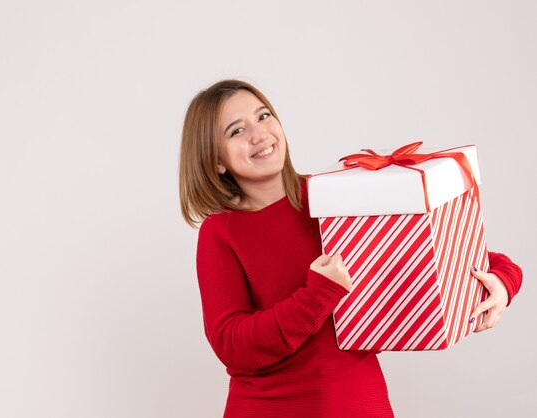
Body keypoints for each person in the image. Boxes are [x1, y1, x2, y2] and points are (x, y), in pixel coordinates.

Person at [178, 79, 523, 418]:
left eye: (264, 116)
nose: (259, 134)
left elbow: (444, 251)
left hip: (360, 403)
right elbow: (232, 346)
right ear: (216, 160)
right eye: (236, 131)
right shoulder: (220, 232)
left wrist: (503, 281)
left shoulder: (335, 196)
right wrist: (317, 296)